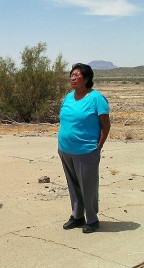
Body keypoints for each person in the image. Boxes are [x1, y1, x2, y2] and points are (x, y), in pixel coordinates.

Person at [58, 63, 110, 233]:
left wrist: (98, 146)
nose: (73, 78)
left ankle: (92, 219)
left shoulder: (96, 98)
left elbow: (105, 125)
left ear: (87, 78)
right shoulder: (68, 97)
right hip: (65, 149)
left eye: (77, 75)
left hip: (86, 151)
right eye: (71, 75)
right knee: (73, 186)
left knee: (88, 187)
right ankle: (77, 216)